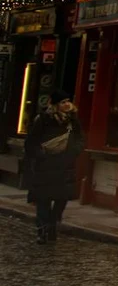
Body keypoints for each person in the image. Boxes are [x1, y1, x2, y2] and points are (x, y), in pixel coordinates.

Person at [24, 91, 84, 246]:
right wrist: (41, 154)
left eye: (68, 101)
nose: (67, 104)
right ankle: (42, 230)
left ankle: (52, 224)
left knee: (61, 200)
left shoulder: (72, 120)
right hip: (46, 166)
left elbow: (79, 139)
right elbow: (31, 142)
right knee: (43, 200)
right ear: (56, 105)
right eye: (63, 102)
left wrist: (74, 151)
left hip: (65, 166)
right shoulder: (43, 119)